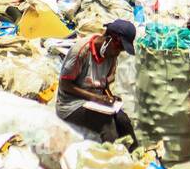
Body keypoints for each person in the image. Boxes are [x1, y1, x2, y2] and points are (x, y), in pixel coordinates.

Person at [55, 19, 137, 147]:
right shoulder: (81, 51)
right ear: (109, 39)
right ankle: (114, 161)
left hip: (95, 102)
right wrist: (95, 97)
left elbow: (105, 81)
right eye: (119, 47)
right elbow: (65, 85)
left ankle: (136, 157)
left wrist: (108, 96)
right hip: (72, 104)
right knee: (107, 125)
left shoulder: (111, 54)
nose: (118, 52)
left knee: (123, 120)